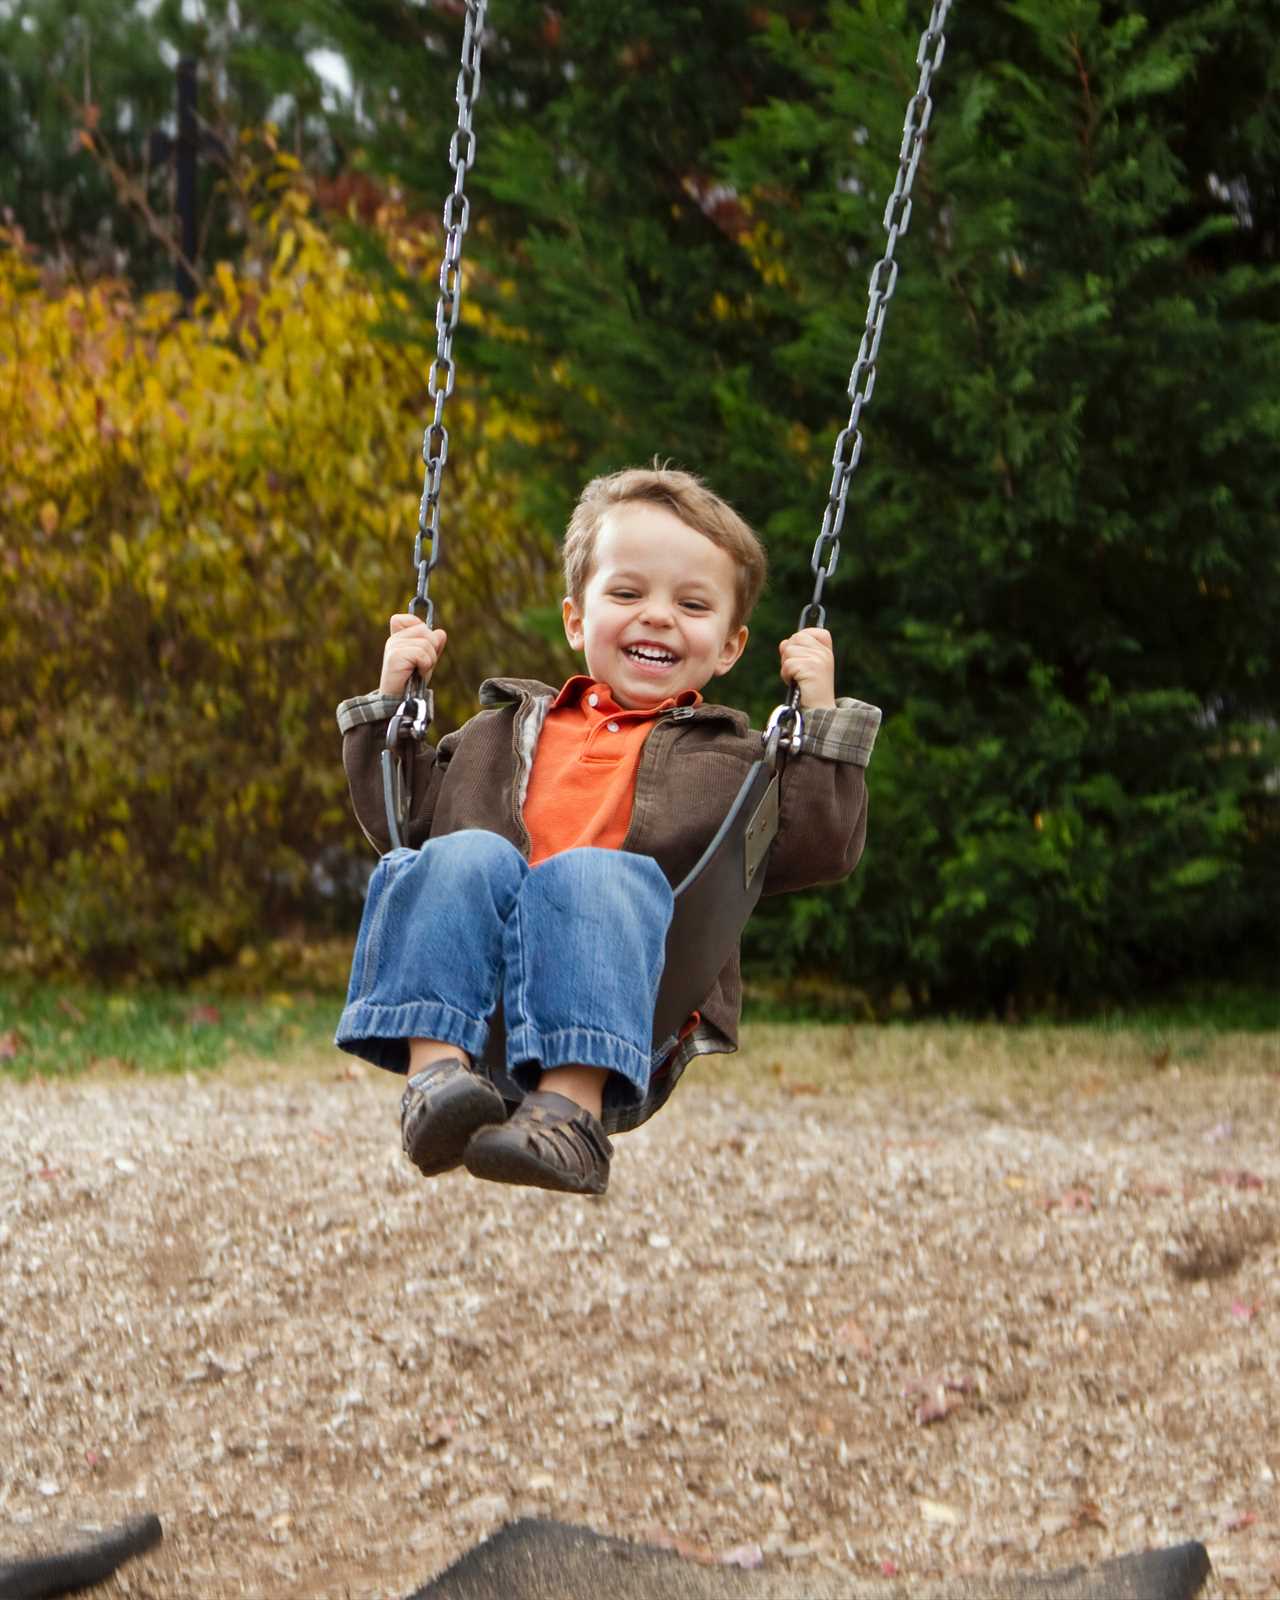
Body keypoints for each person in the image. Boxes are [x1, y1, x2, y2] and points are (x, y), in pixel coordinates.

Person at [334, 466, 880, 1195]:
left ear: (729, 646)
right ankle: (437, 1082)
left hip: (628, 992)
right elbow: (401, 821)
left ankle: (569, 1117)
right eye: (627, 593)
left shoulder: (735, 762)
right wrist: (390, 706)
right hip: (483, 979)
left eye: (692, 603)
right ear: (575, 618)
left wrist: (817, 719)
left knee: (591, 873)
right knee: (458, 856)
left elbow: (819, 843)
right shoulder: (495, 732)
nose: (656, 616)